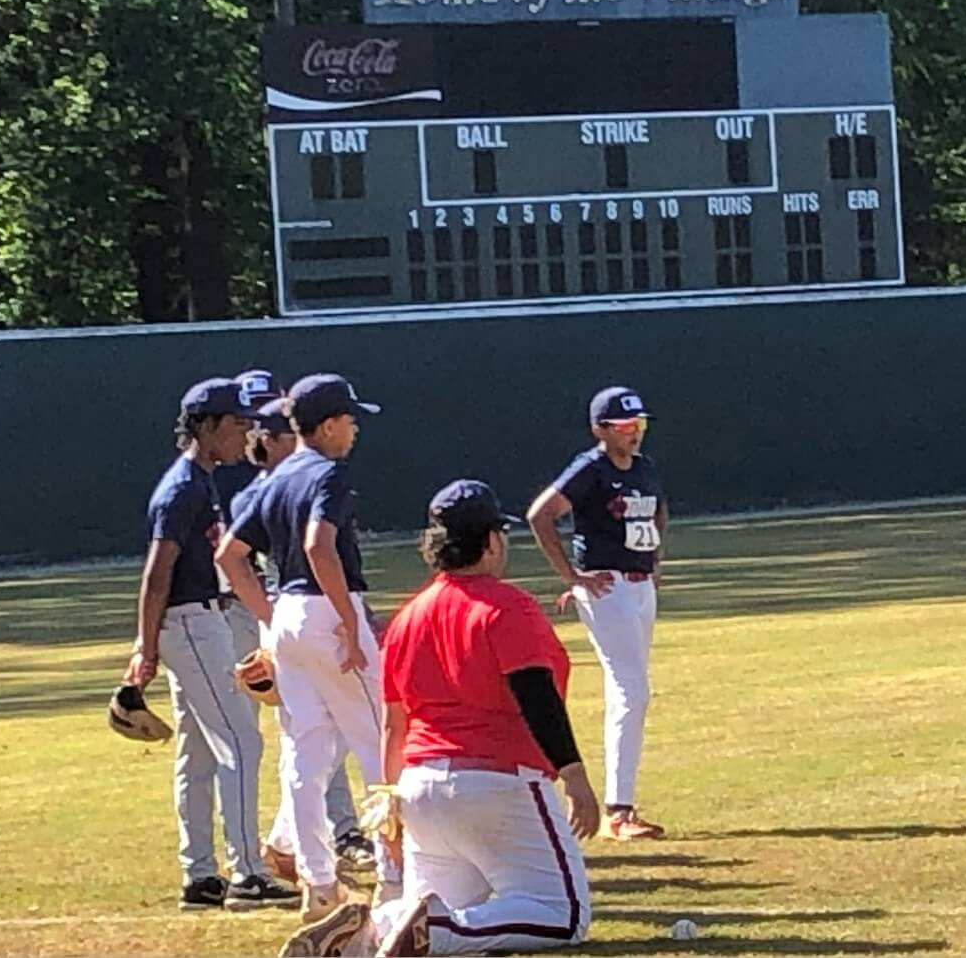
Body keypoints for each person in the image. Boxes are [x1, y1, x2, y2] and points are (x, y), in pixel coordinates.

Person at [280, 480, 597, 958]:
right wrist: (573, 772)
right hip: (499, 783)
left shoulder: (408, 618)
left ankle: (374, 932)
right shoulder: (507, 606)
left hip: (420, 787)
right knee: (563, 914)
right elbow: (536, 696)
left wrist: (390, 806)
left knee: (426, 907)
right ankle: (440, 932)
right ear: (491, 541)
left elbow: (394, 724)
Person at [218, 373, 399, 924]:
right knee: (380, 741)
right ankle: (399, 877)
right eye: (349, 418)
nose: (355, 428)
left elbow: (230, 556)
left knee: (307, 752)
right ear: (326, 425)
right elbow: (321, 545)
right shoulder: (327, 472)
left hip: (289, 614)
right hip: (325, 613)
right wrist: (348, 619)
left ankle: (318, 883)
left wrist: (272, 622)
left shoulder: (277, 476)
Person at [127, 378, 296, 912]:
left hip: (198, 621)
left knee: (198, 751)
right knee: (241, 742)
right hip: (191, 621)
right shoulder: (182, 488)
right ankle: (247, 873)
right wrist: (144, 647)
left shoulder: (201, 481)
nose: (245, 431)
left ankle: (200, 877)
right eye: (237, 422)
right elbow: (157, 574)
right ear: (206, 426)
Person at [527, 385, 667, 840]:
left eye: (638, 424)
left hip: (639, 586)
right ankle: (619, 810)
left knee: (629, 690)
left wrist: (655, 564)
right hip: (607, 587)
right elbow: (541, 515)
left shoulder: (643, 468)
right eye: (624, 426)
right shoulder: (591, 468)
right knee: (633, 690)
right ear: (600, 429)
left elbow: (658, 511)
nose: (634, 433)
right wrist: (572, 576)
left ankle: (622, 804)